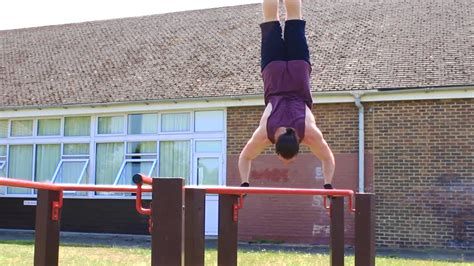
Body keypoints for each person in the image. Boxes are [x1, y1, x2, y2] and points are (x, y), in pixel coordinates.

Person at [238, 0, 335, 190]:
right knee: (270, 20)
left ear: (299, 145)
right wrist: (244, 183)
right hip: (273, 72)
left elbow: (327, 157)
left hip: (299, 69)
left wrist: (329, 184)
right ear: (275, 146)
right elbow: (245, 157)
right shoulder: (266, 134)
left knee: (294, 17)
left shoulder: (308, 133)